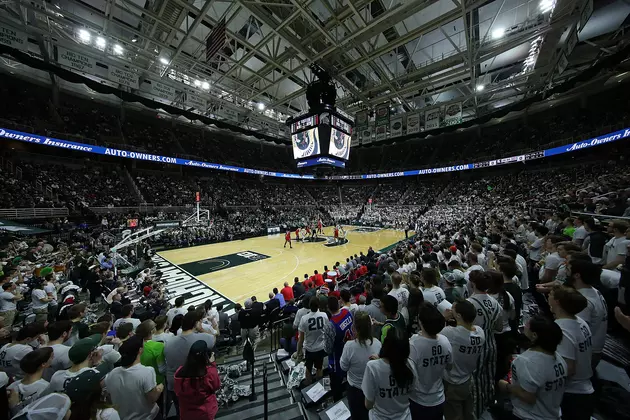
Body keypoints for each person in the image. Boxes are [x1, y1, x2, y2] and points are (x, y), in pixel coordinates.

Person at [497, 315, 567, 420]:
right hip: (552, 413)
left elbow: (528, 396)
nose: (524, 325)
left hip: (529, 416)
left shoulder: (526, 361)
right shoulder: (559, 359)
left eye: (527, 324)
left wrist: (507, 386)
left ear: (534, 335)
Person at [548, 286, 594, 420]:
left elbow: (568, 368)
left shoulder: (562, 329)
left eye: (550, 294)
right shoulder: (581, 322)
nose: (547, 297)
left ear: (557, 302)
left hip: (572, 393)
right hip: (584, 389)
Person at [466, 271, 502, 418]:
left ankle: (476, 409)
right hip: (491, 342)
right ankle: (488, 403)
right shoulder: (495, 302)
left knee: (474, 378)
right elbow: (499, 327)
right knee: (489, 374)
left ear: (473, 284)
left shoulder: (469, 303)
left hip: (475, 343)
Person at [441, 300, 485, 420]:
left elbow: (433, 333)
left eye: (453, 309)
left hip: (452, 382)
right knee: (469, 413)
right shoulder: (480, 332)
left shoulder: (450, 332)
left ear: (459, 315)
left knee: (454, 415)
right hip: (468, 378)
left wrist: (443, 318)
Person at [164, 312, 216, 411]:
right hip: (195, 384)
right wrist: (201, 329)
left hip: (175, 384)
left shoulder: (168, 342)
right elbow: (213, 338)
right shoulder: (204, 338)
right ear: (196, 323)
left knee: (181, 410)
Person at [361, 328, 416, 420]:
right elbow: (412, 392)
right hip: (404, 416)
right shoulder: (411, 365)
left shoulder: (373, 367)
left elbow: (368, 404)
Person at [105, 336, 163, 420]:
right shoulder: (147, 372)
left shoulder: (112, 374)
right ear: (140, 350)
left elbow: (109, 397)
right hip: (147, 417)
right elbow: (152, 398)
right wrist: (160, 388)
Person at [565, 258, 608, 369]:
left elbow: (576, 333)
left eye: (568, 269)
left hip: (585, 352)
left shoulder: (583, 300)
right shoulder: (593, 290)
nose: (566, 271)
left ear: (577, 275)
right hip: (592, 348)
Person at [340, 312, 382, 420]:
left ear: (354, 327)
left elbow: (343, 367)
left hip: (356, 390)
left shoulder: (349, 346)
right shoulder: (377, 343)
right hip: (373, 389)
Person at [174, 340, 221, 419]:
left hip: (186, 413)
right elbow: (216, 386)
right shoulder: (208, 373)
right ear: (205, 356)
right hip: (204, 413)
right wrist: (212, 364)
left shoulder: (179, 372)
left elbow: (177, 391)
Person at [7, 347, 53, 417]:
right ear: (43, 364)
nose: (53, 359)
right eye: (52, 357)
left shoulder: (12, 386)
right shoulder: (46, 388)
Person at [297, 296, 329, 384]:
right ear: (318, 305)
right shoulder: (324, 315)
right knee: (319, 367)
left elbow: (301, 338)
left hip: (309, 348)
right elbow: (327, 331)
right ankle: (318, 385)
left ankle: (308, 382)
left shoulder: (304, 318)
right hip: (320, 347)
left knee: (308, 367)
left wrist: (298, 351)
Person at [328, 296, 354, 401]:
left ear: (328, 308)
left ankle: (337, 401)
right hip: (350, 350)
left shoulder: (330, 324)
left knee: (336, 383)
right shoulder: (347, 313)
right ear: (338, 304)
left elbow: (328, 348)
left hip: (337, 357)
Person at [136, 320, 167, 386]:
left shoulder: (134, 345)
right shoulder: (158, 346)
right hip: (155, 381)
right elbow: (162, 369)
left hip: (139, 380)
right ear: (152, 331)